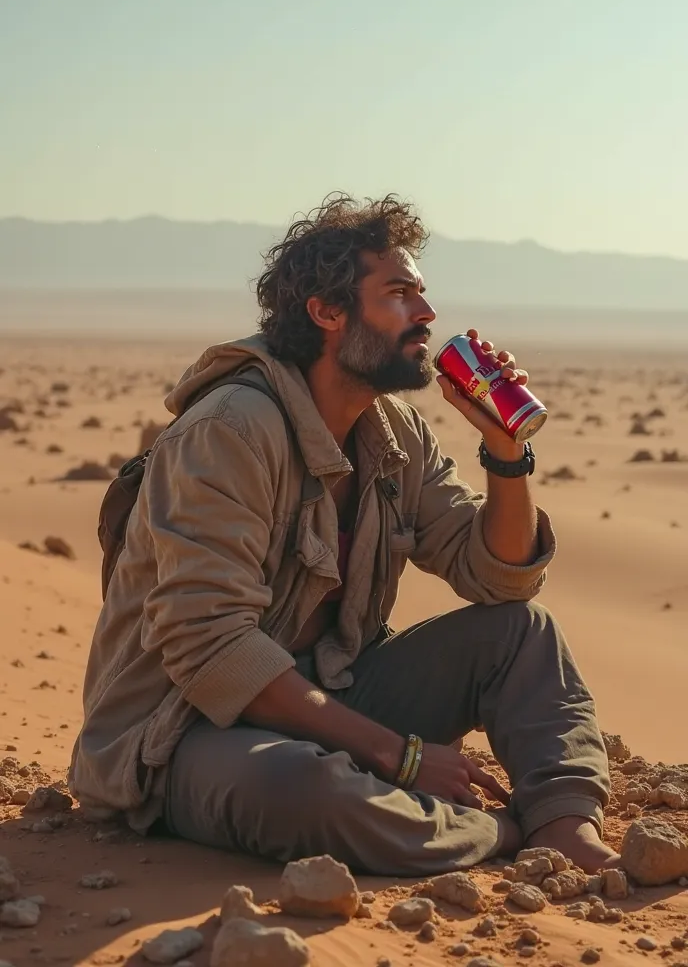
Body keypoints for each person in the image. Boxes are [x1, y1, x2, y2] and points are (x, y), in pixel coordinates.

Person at [70, 194, 618, 876]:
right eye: (398, 294)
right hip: (181, 732)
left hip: (327, 693)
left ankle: (564, 828)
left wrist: (505, 451)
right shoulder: (232, 430)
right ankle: (496, 834)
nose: (426, 314)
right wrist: (400, 756)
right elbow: (213, 649)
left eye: (421, 293)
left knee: (522, 633)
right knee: (299, 787)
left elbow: (500, 576)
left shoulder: (394, 432)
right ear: (328, 313)